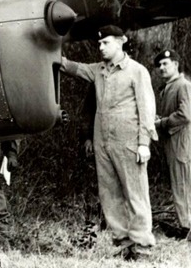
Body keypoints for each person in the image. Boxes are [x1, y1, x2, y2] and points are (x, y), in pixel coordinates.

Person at [60, 24, 158, 255]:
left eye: (106, 43)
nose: (101, 47)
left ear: (120, 41)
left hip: (128, 142)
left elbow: (147, 109)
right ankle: (123, 241)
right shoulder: (99, 70)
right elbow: (73, 68)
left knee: (135, 192)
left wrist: (144, 142)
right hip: (102, 142)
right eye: (99, 43)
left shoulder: (137, 71)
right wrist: (53, 53)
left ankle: (142, 243)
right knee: (109, 193)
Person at [153, 47, 191, 240]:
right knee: (182, 185)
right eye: (159, 65)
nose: (162, 68)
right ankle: (189, 227)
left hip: (184, 144)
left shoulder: (184, 86)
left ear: (175, 64)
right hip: (176, 144)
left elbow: (185, 115)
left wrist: (162, 122)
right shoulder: (171, 87)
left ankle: (189, 229)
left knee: (184, 185)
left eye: (166, 64)